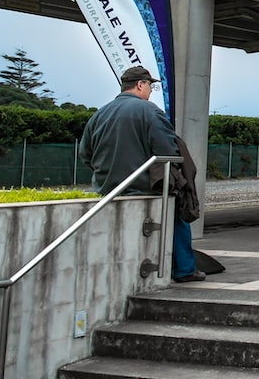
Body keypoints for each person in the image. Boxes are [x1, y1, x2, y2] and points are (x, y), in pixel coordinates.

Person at [78, 65, 204, 282]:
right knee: (177, 217)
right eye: (150, 86)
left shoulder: (100, 113)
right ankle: (184, 269)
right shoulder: (150, 111)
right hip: (144, 187)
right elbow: (167, 151)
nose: (150, 91)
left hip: (107, 189)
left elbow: (85, 154)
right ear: (140, 85)